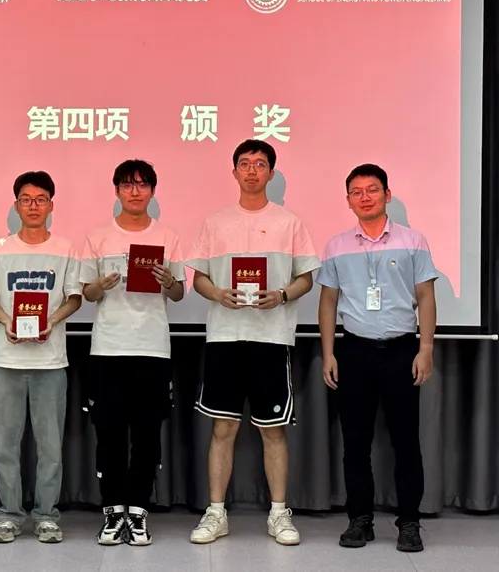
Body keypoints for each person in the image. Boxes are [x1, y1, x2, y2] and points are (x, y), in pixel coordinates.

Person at [187, 139, 321, 546]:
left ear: (271, 173)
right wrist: (217, 294)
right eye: (244, 163)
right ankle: (216, 513)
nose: (251, 170)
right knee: (223, 428)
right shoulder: (215, 222)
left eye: (259, 164)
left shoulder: (289, 222)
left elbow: (306, 278)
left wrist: (281, 295)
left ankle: (279, 514)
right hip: (225, 337)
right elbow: (199, 278)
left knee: (272, 431)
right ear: (234, 172)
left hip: (271, 338)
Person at [317, 163, 437, 553]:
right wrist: (328, 353)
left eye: (372, 190)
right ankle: (360, 520)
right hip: (354, 352)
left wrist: (425, 348)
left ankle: (409, 523)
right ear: (348, 200)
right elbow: (328, 302)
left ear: (387, 195)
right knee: (355, 443)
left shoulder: (413, 240)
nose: (364, 197)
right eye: (357, 192)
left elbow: (426, 297)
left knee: (406, 442)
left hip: (401, 351)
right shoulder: (336, 245)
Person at [80, 159, 185, 546]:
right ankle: (112, 512)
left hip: (152, 349)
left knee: (146, 435)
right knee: (108, 434)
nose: (135, 191)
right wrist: (101, 285)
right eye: (127, 185)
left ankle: (138, 512)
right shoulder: (97, 237)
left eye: (142, 185)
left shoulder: (168, 236)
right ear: (117, 191)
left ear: (153, 191)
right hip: (108, 349)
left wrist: (169, 281)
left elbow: (179, 293)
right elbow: (86, 293)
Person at [0, 171, 82, 544]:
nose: (33, 206)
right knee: (5, 447)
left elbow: (74, 297)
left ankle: (47, 516)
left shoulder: (66, 249)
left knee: (50, 448)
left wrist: (51, 320)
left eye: (40, 199)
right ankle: (9, 515)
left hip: (51, 363)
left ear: (51, 205)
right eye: (26, 199)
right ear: (16, 205)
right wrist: (7, 321)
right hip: (5, 363)